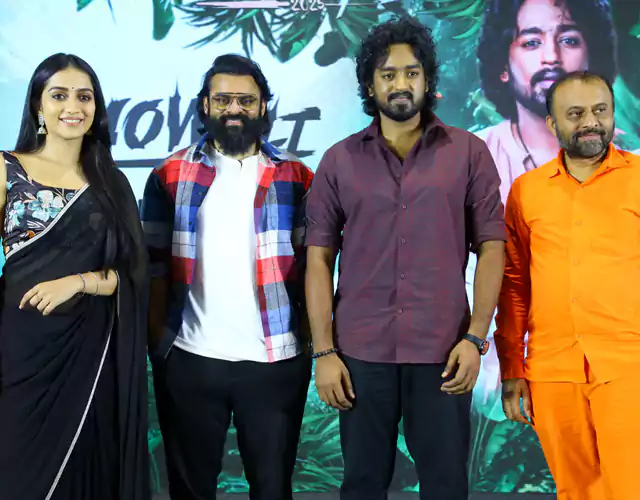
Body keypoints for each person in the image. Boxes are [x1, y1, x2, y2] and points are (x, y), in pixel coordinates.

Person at [305, 17, 506, 500]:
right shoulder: (339, 160)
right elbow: (318, 260)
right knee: (362, 484)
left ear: (428, 80)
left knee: (446, 485)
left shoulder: (468, 153)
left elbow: (493, 248)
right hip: (360, 354)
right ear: (369, 85)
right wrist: (324, 352)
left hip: (443, 352)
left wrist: (476, 339)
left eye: (412, 72)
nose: (401, 83)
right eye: (388, 74)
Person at [141, 54, 313, 500]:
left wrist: (311, 339)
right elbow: (151, 264)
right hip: (190, 358)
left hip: (275, 361)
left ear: (263, 106)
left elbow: (314, 264)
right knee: (190, 490)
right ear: (205, 105)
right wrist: (159, 342)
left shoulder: (296, 175)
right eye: (222, 99)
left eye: (246, 100)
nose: (234, 108)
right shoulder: (169, 173)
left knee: (272, 489)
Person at [0, 54, 149, 500]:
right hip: (21, 348)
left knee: (88, 470)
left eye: (84, 97)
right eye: (59, 95)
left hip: (92, 350)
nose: (73, 106)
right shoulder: (8, 169)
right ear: (37, 106)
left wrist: (78, 282)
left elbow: (133, 274)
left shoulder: (110, 182)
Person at [496, 71, 640, 500]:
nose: (590, 122)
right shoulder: (526, 191)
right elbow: (514, 284)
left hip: (628, 366)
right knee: (574, 491)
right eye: (575, 114)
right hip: (552, 370)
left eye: (600, 111)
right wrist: (512, 368)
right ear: (552, 123)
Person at [476, 0, 617, 204]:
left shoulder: (628, 162)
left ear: (593, 60)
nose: (552, 57)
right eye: (531, 43)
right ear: (503, 67)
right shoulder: (470, 162)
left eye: (569, 40)